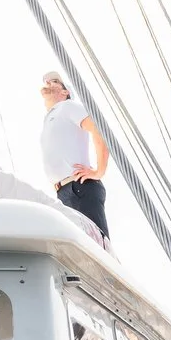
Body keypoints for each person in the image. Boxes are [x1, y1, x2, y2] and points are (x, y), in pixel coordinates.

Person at [40, 70, 110, 241]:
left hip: (79, 187)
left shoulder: (68, 107)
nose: (48, 83)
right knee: (81, 250)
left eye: (54, 81)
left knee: (97, 247)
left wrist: (99, 171)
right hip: (64, 193)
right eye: (46, 81)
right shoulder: (51, 117)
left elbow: (99, 130)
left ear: (65, 92)